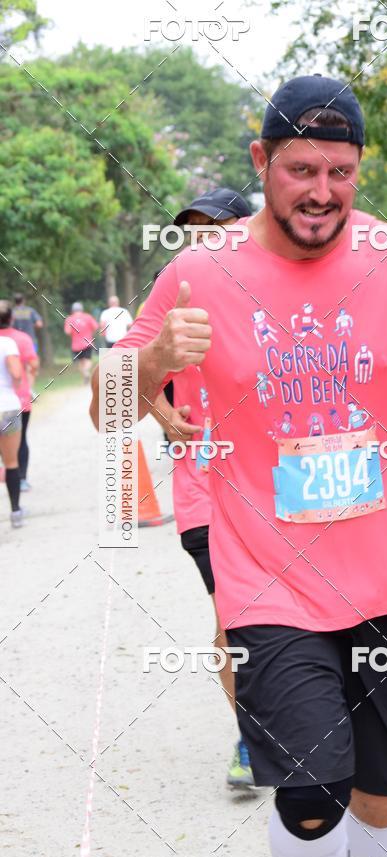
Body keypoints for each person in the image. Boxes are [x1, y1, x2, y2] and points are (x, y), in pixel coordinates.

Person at [91, 75, 387, 857]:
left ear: (360, 169)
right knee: (309, 796)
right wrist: (152, 362)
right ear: (262, 160)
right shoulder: (199, 273)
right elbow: (105, 412)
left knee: (385, 791)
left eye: (340, 171)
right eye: (301, 169)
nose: (322, 191)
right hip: (270, 585)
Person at [117, 189, 255, 788]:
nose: (203, 238)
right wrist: (163, 413)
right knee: (233, 622)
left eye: (217, 226)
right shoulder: (178, 293)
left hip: (287, 489)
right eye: (193, 229)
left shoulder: (276, 290)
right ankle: (255, 737)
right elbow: (125, 374)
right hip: (206, 492)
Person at [1, 302, 39, 491]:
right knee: (21, 438)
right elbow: (34, 365)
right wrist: (28, 383)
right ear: (12, 318)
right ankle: (21, 478)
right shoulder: (22, 339)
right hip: (18, 399)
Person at [0, 302, 25, 527]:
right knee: (11, 462)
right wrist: (15, 382)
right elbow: (16, 372)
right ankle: (15, 512)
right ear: (10, 320)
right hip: (7, 406)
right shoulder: (7, 343)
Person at [64, 302, 98, 384]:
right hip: (88, 343)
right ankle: (86, 372)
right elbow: (96, 327)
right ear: (81, 309)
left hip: (76, 345)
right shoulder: (88, 317)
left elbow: (67, 332)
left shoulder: (69, 319)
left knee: (80, 362)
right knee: (88, 360)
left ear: (73, 310)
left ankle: (85, 375)